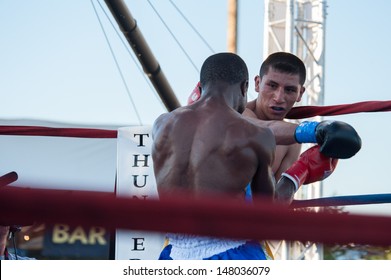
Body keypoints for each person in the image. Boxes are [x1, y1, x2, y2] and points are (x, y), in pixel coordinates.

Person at [188, 52, 359, 204]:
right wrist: (314, 130)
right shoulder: (238, 115)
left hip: (243, 229)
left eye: (290, 90)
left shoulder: (292, 144)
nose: (279, 98)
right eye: (272, 85)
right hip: (203, 221)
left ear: (300, 93)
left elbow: (275, 204)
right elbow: (263, 130)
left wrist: (298, 175)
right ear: (257, 84)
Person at [152, 52, 277, 260]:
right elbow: (267, 216)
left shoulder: (161, 124)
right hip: (232, 252)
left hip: (173, 255)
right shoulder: (257, 135)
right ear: (245, 87)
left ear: (200, 86)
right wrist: (295, 176)